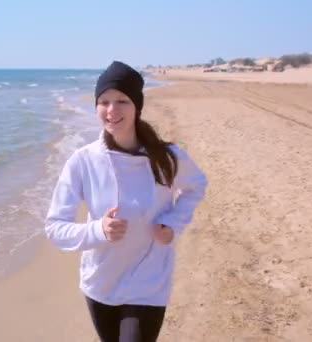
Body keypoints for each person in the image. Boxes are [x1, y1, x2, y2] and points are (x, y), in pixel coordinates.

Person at [44, 61, 208, 342]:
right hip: (101, 283)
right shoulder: (82, 161)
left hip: (149, 282)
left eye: (122, 101)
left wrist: (173, 223)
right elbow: (55, 227)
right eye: (104, 101)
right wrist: (98, 230)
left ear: (137, 107)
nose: (112, 110)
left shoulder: (166, 157)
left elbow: (196, 186)